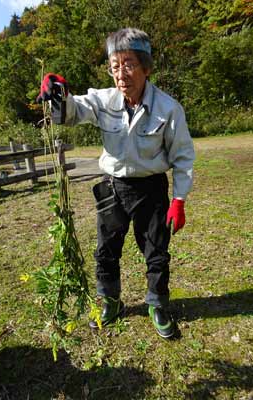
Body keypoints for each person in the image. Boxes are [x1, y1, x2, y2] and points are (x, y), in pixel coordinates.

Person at [38, 27, 195, 339]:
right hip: (112, 186)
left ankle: (157, 304)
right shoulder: (103, 100)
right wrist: (58, 94)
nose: (121, 74)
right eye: (114, 65)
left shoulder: (168, 109)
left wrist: (179, 200)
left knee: (156, 250)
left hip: (151, 188)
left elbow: (183, 157)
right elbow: (69, 114)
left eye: (129, 64)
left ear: (146, 67)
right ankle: (110, 301)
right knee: (106, 249)